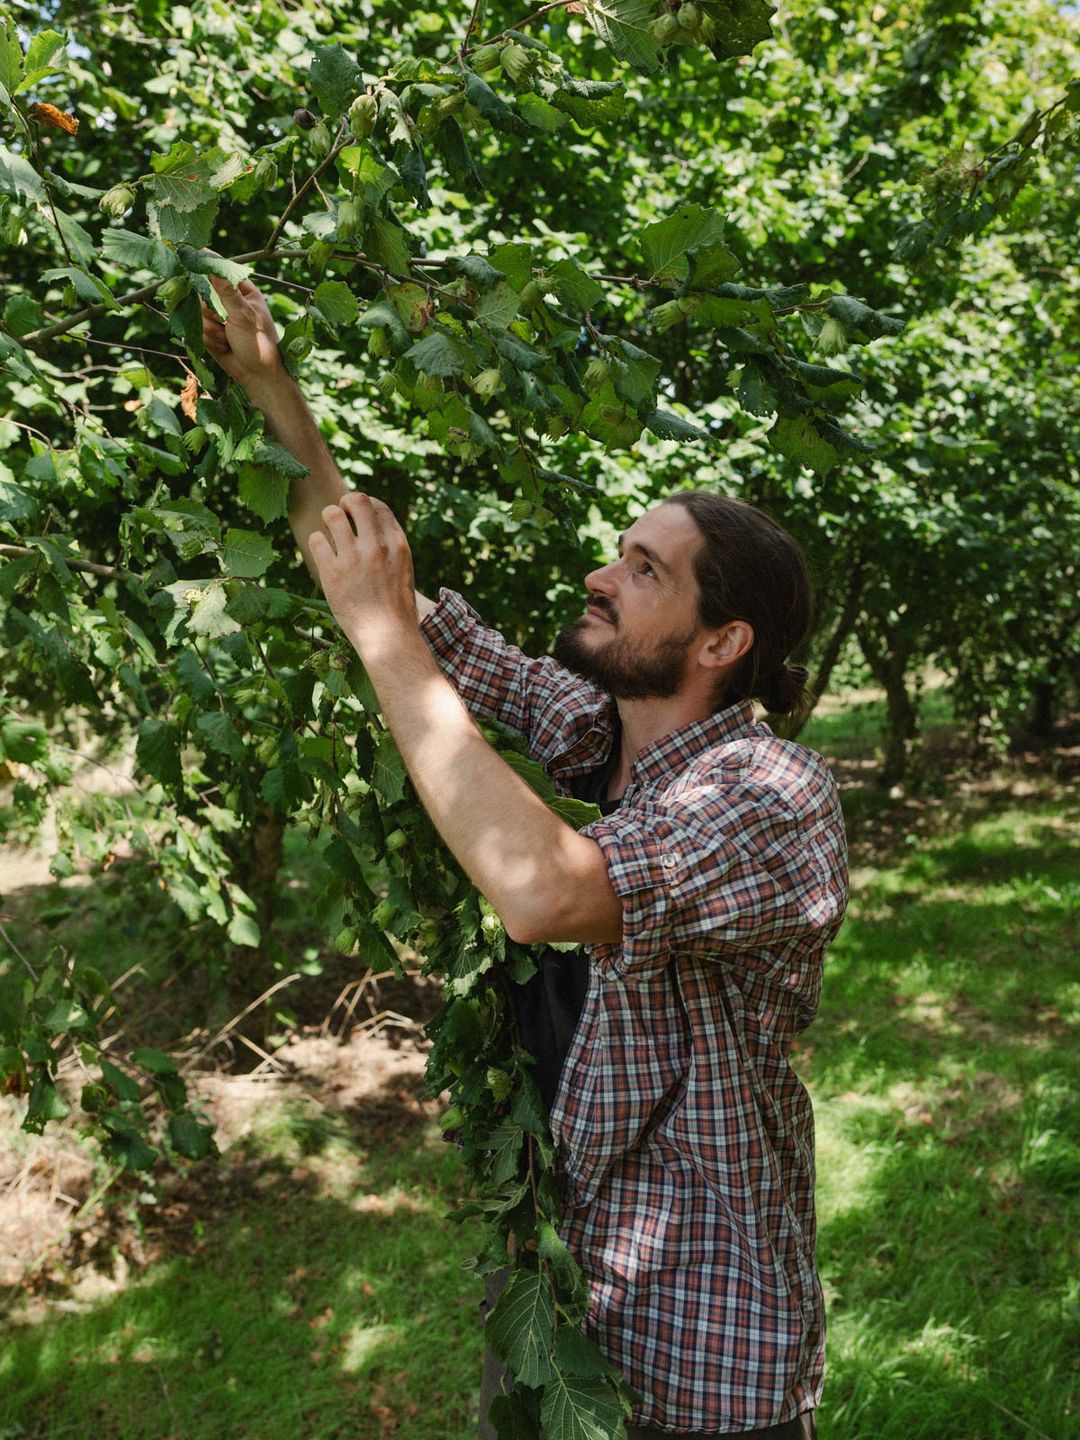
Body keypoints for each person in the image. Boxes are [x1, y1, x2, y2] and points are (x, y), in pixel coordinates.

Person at [201, 276, 849, 1440]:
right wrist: (272, 387)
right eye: (618, 552)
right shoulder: (599, 730)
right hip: (557, 1293)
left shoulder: (768, 794)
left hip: (700, 1340)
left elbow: (542, 892)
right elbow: (362, 572)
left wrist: (386, 640)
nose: (601, 576)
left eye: (645, 569)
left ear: (721, 640)